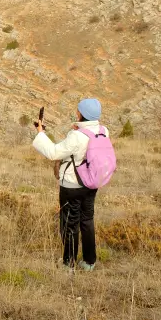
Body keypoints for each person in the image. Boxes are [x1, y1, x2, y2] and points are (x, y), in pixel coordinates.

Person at [32, 98, 108, 271]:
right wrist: (77, 129)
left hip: (72, 185)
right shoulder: (104, 131)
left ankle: (69, 263)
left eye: (78, 110)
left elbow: (53, 152)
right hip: (91, 183)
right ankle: (89, 262)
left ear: (81, 114)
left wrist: (40, 132)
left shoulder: (77, 136)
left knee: (69, 224)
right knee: (87, 220)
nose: (77, 112)